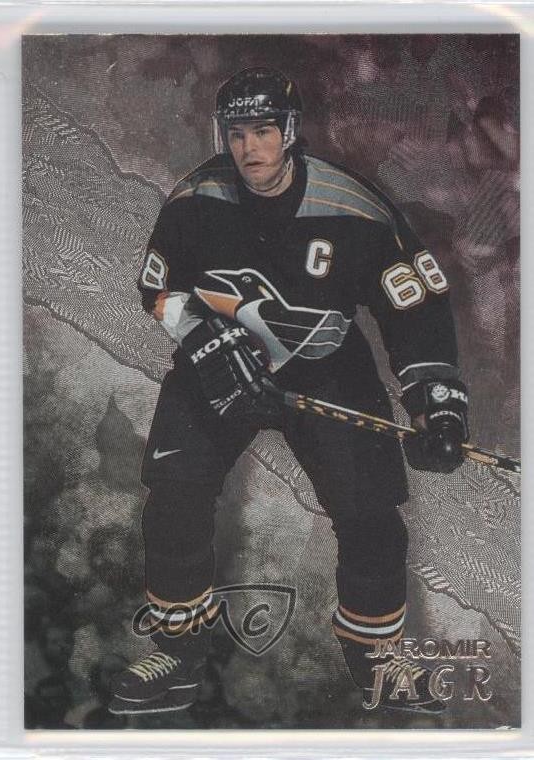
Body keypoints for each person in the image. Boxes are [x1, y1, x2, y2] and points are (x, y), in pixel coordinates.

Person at [109, 68, 469, 716]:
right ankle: (177, 653)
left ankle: (377, 658)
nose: (250, 148)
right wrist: (202, 336)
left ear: (291, 131)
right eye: (237, 133)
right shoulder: (194, 200)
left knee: (372, 515)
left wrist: (436, 400)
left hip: (325, 366)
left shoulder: (354, 208)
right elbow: (158, 288)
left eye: (264, 131)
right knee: (174, 495)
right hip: (219, 363)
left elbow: (414, 306)